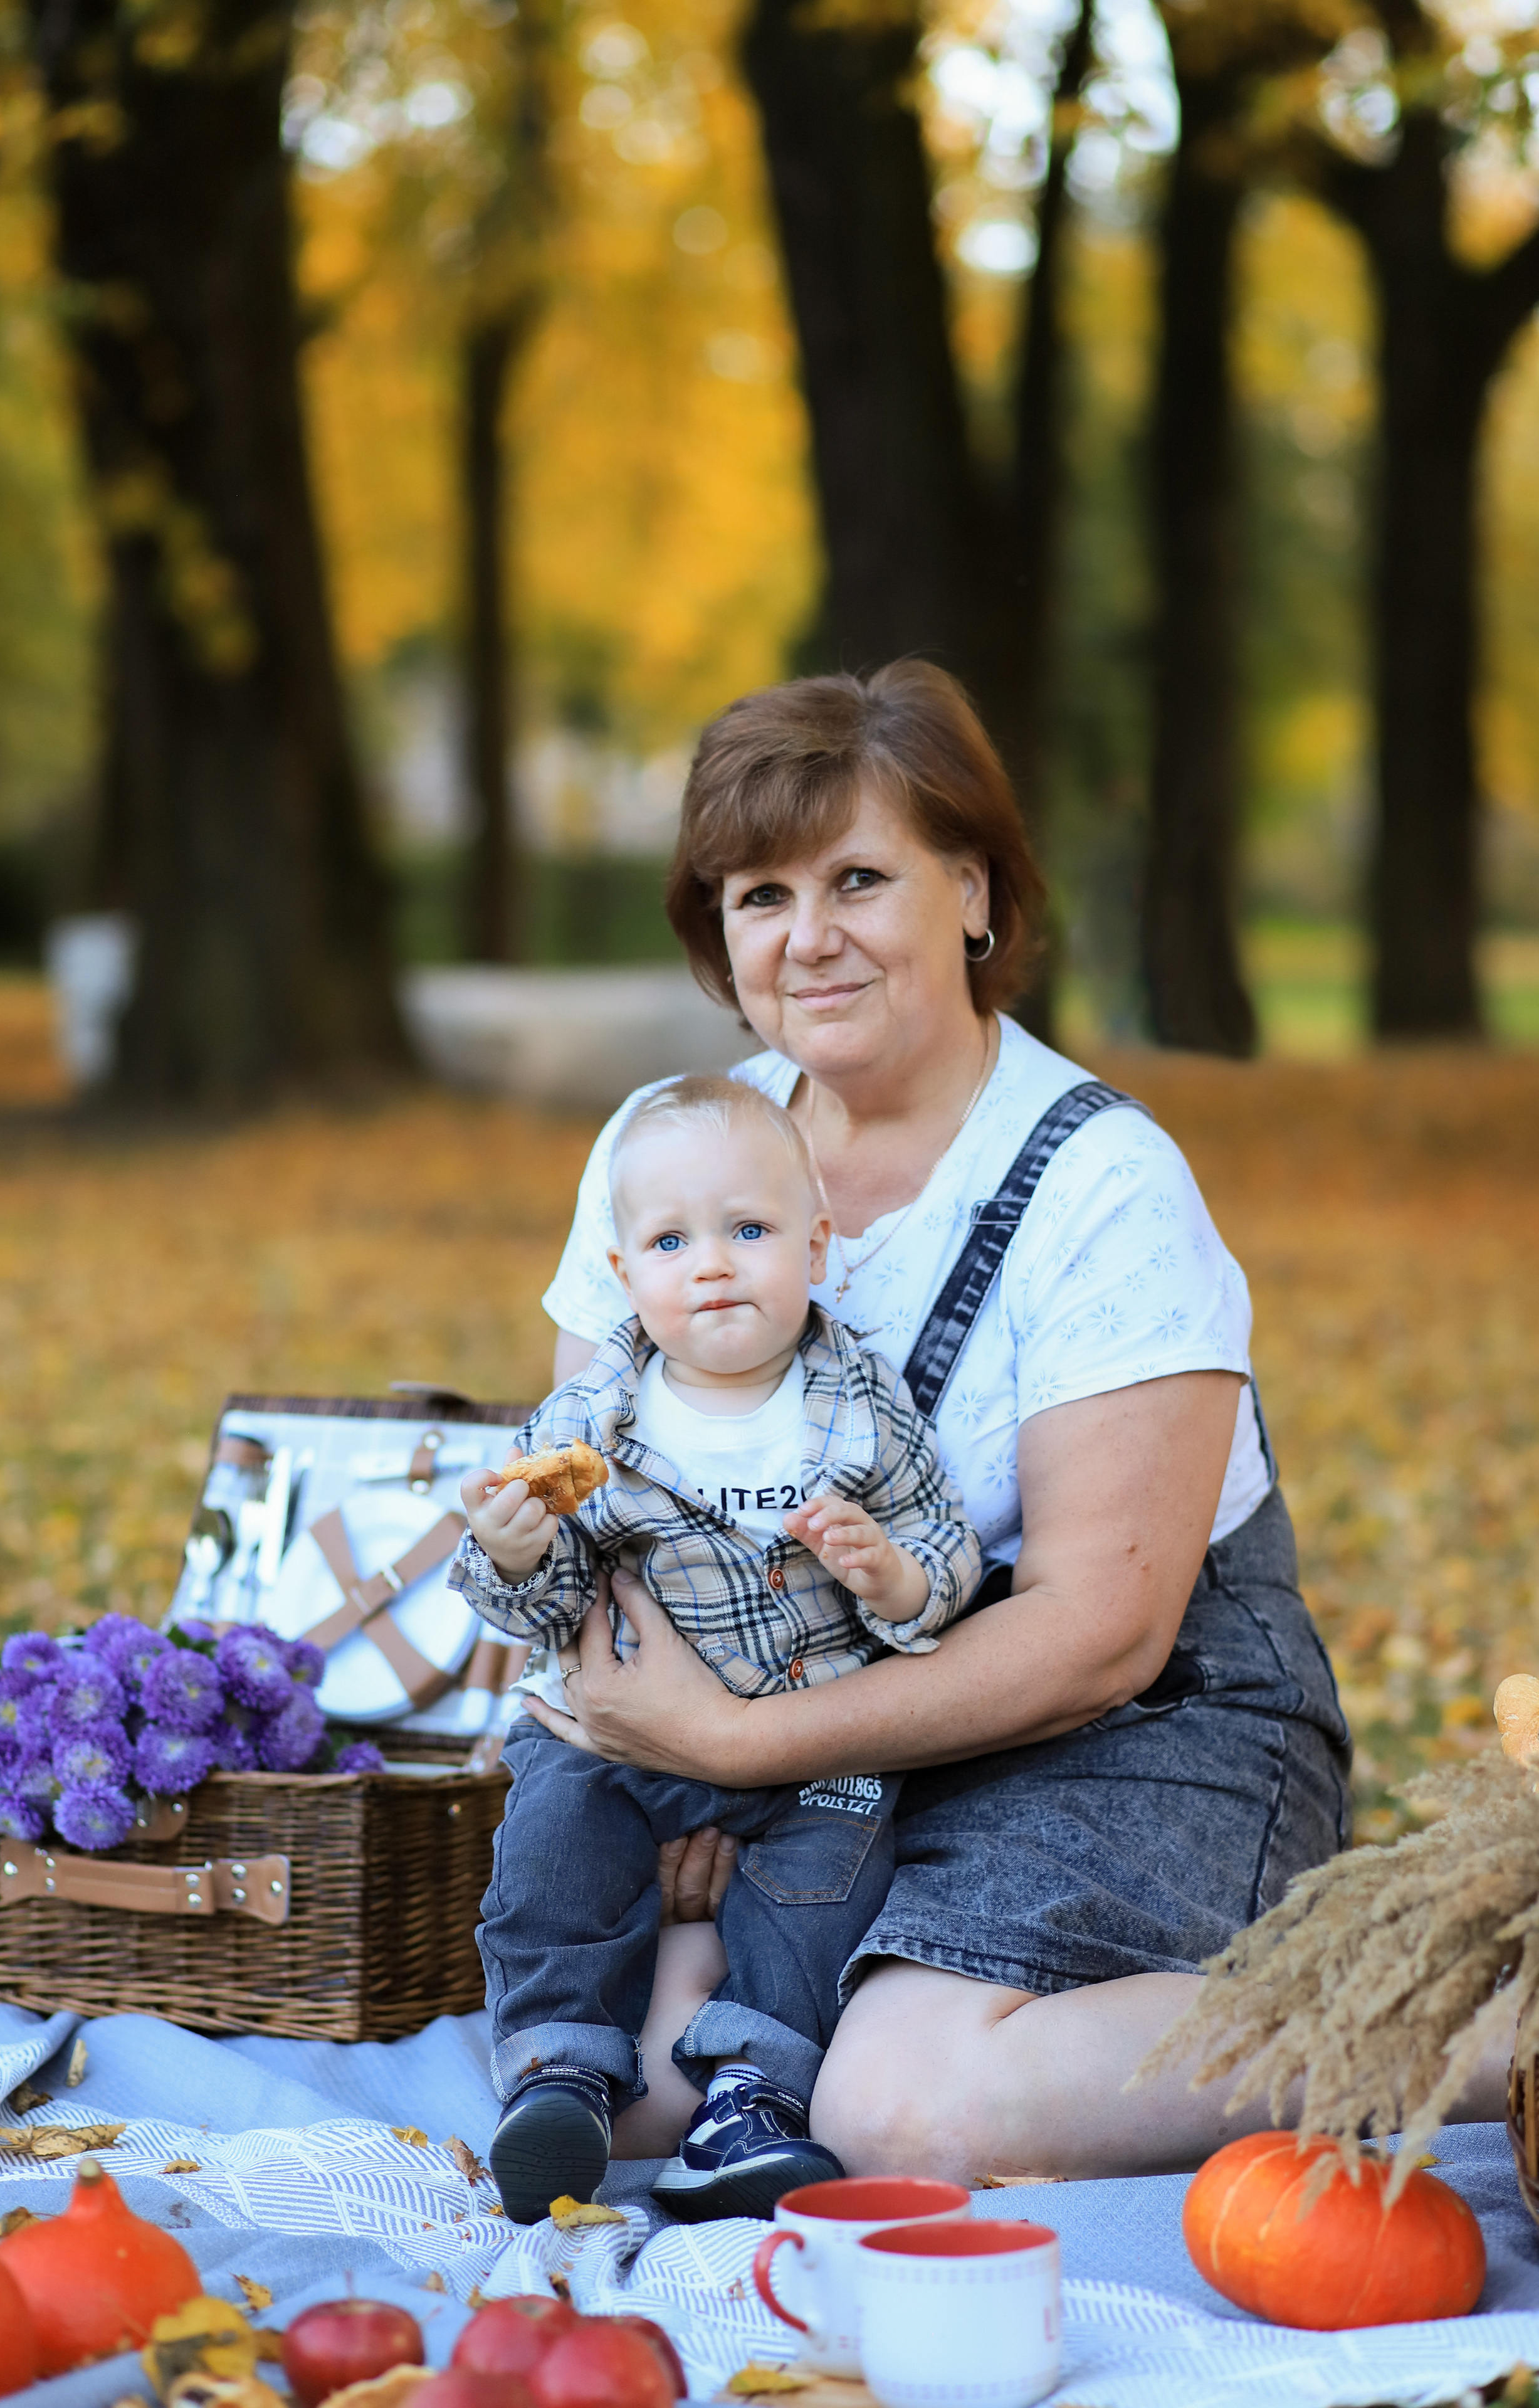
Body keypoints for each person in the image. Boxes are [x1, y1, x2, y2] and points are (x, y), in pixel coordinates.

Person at [515, 658, 1367, 2187]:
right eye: (759, 894)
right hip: (820, 1730)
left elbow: (1101, 1631)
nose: (808, 937)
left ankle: (1445, 2013)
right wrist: (670, 1774)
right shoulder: (675, 1150)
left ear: (969, 892)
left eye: (858, 879)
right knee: (634, 2093)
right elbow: (594, 1511)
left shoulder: (1100, 1186)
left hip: (1138, 1719)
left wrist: (746, 1739)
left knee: (901, 2111)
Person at [453, 1073, 981, 2222]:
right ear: (623, 1275)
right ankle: (558, 2068)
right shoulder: (588, 1427)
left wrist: (895, 1576)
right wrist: (510, 1549)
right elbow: (550, 1607)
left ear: (817, 1246)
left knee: (830, 1883)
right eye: (671, 1240)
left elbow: (944, 1539)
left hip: (812, 1734)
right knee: (551, 1845)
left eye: (750, 1230)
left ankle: (754, 2097)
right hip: (619, 1733)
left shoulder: (861, 1409)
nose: (714, 1264)